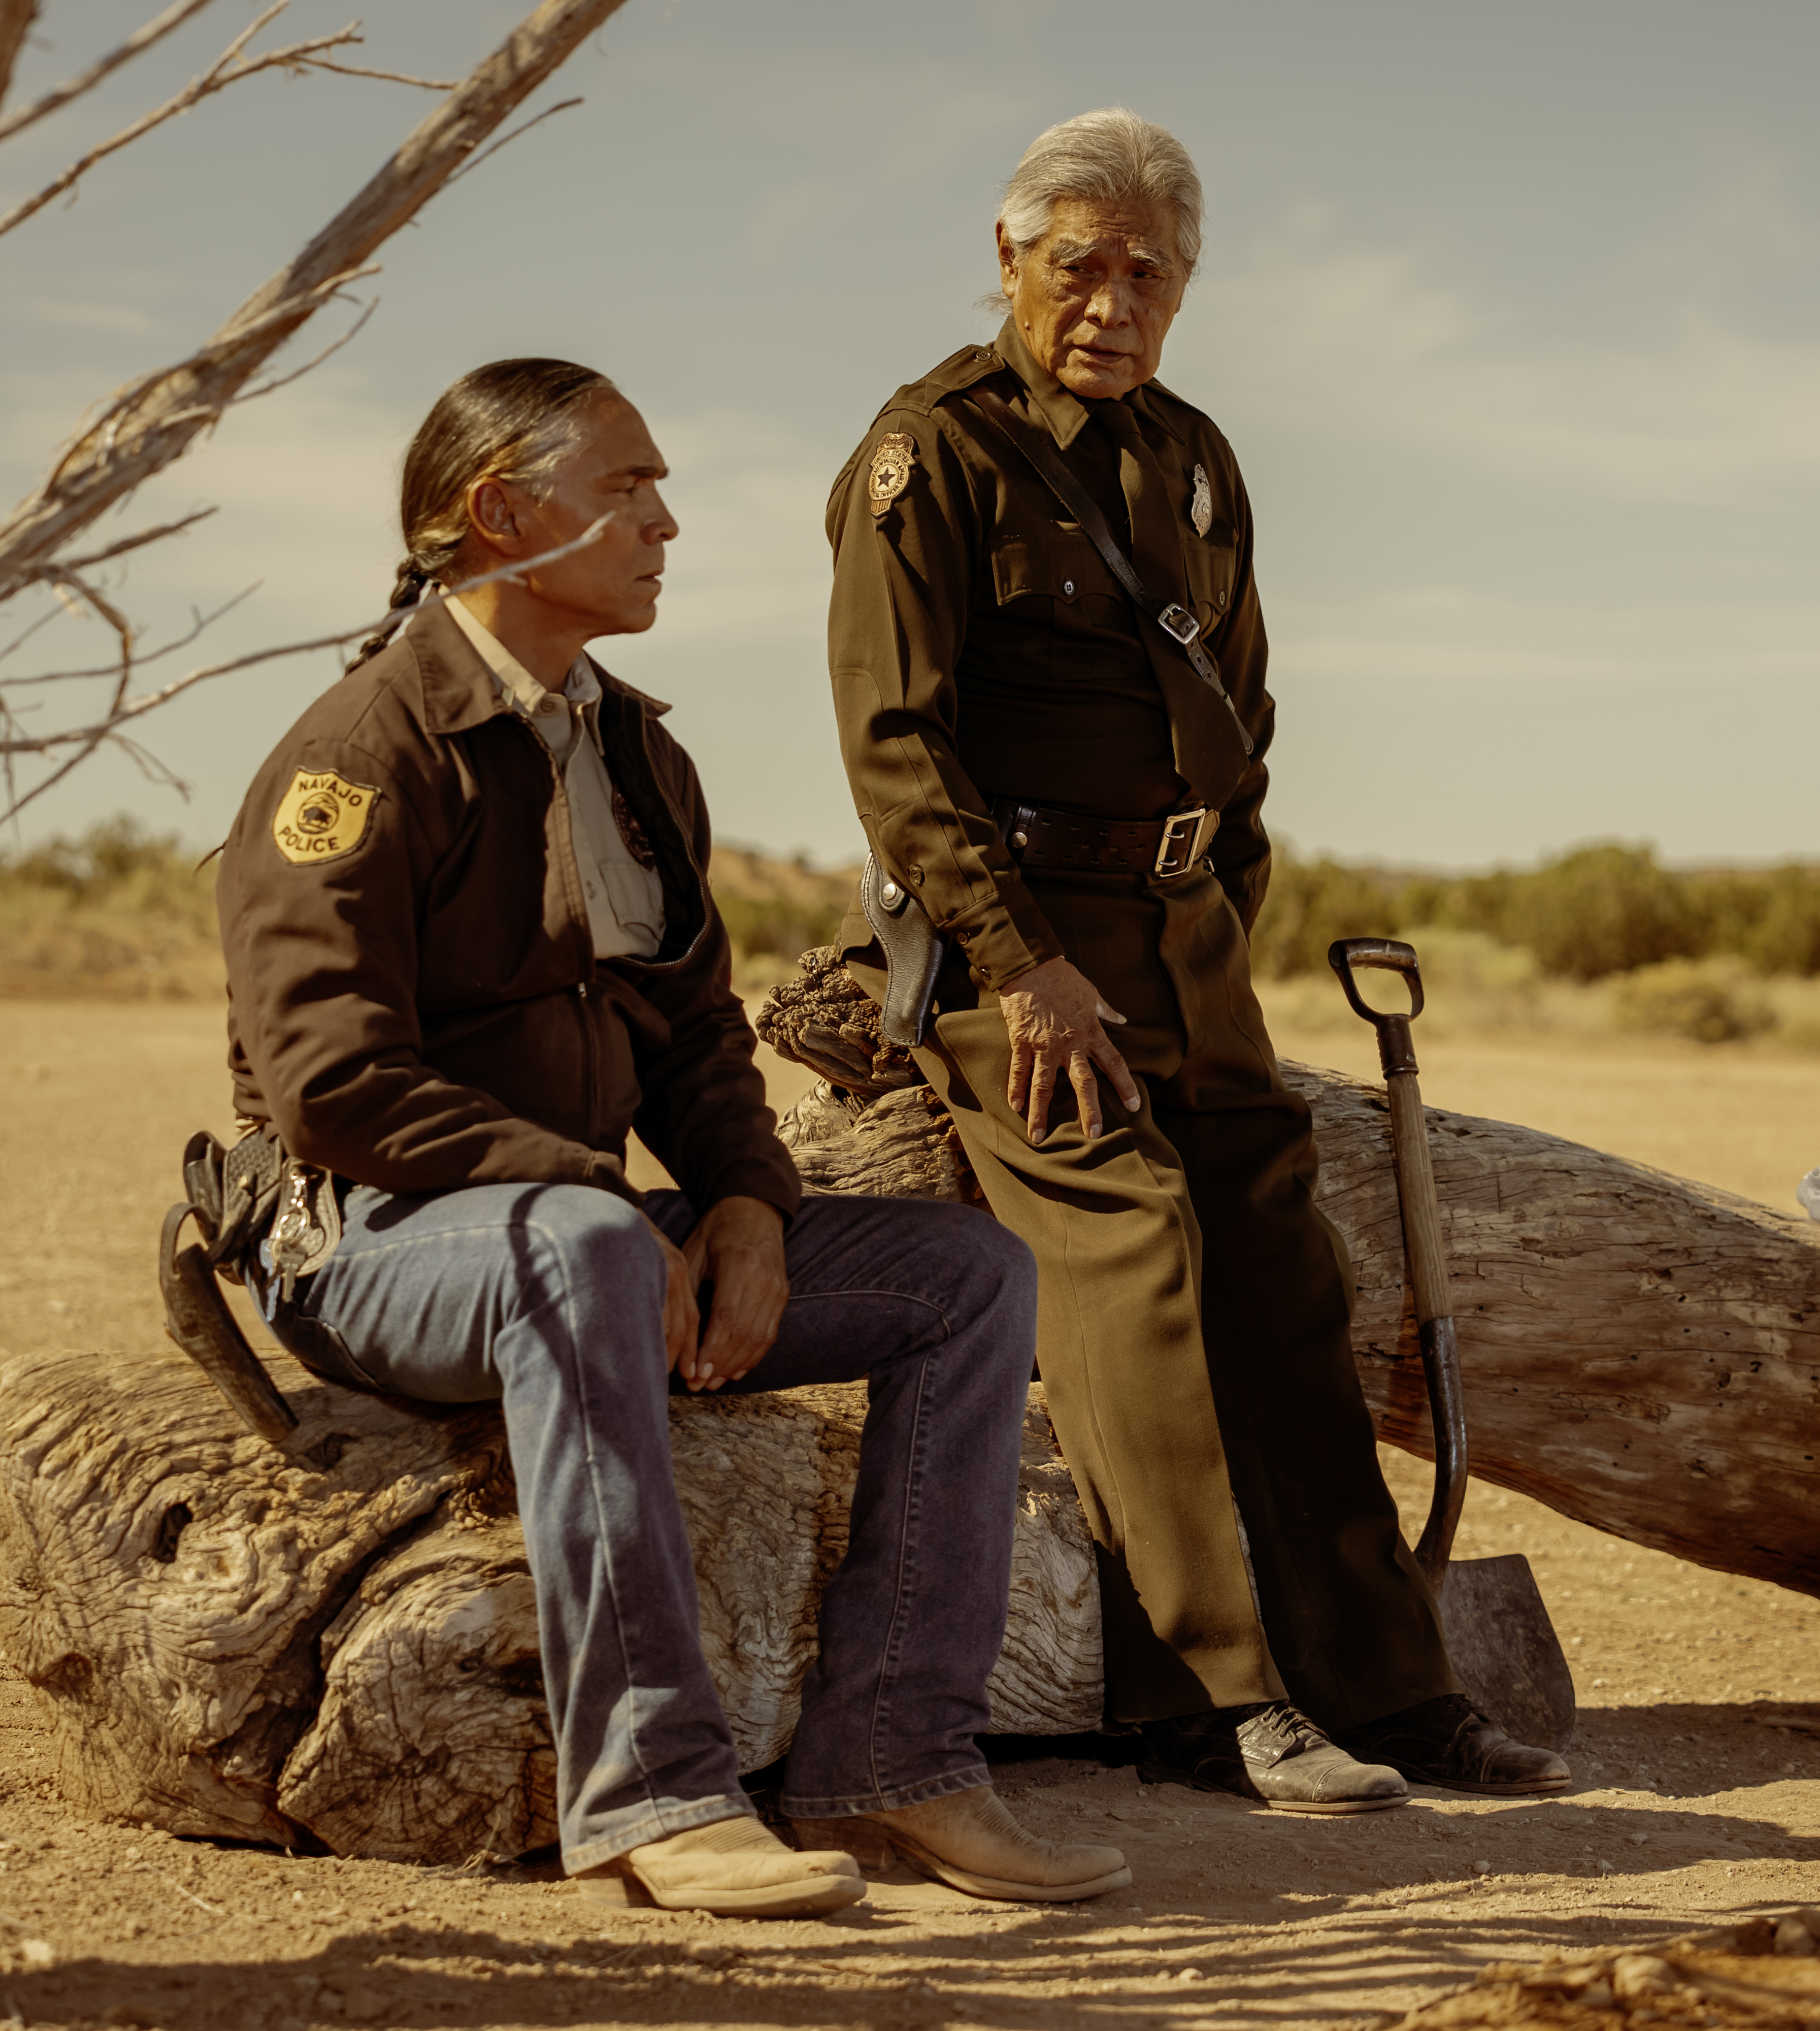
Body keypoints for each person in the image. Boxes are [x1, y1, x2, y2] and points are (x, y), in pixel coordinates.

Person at [215, 359, 1128, 1913]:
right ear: (502, 514)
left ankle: (902, 1761)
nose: (668, 522)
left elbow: (698, 1039)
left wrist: (748, 1211)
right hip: (365, 1247)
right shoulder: (360, 756)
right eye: (626, 488)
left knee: (965, 1274)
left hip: (572, 1235)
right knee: (582, 1250)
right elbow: (331, 1085)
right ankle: (654, 1798)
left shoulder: (640, 756)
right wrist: (605, 1202)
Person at [821, 112, 1568, 1811]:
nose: (1111, 298)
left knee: (1284, 1285)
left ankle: (1391, 1694)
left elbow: (1246, 723)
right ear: (1008, 262)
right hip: (1023, 948)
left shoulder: (1197, 456)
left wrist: (1220, 918)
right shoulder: (925, 454)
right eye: (1077, 261)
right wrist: (1016, 965)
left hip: (1186, 941)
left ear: (1186, 287)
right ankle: (1217, 1705)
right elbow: (893, 742)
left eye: (1148, 269)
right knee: (1133, 1265)